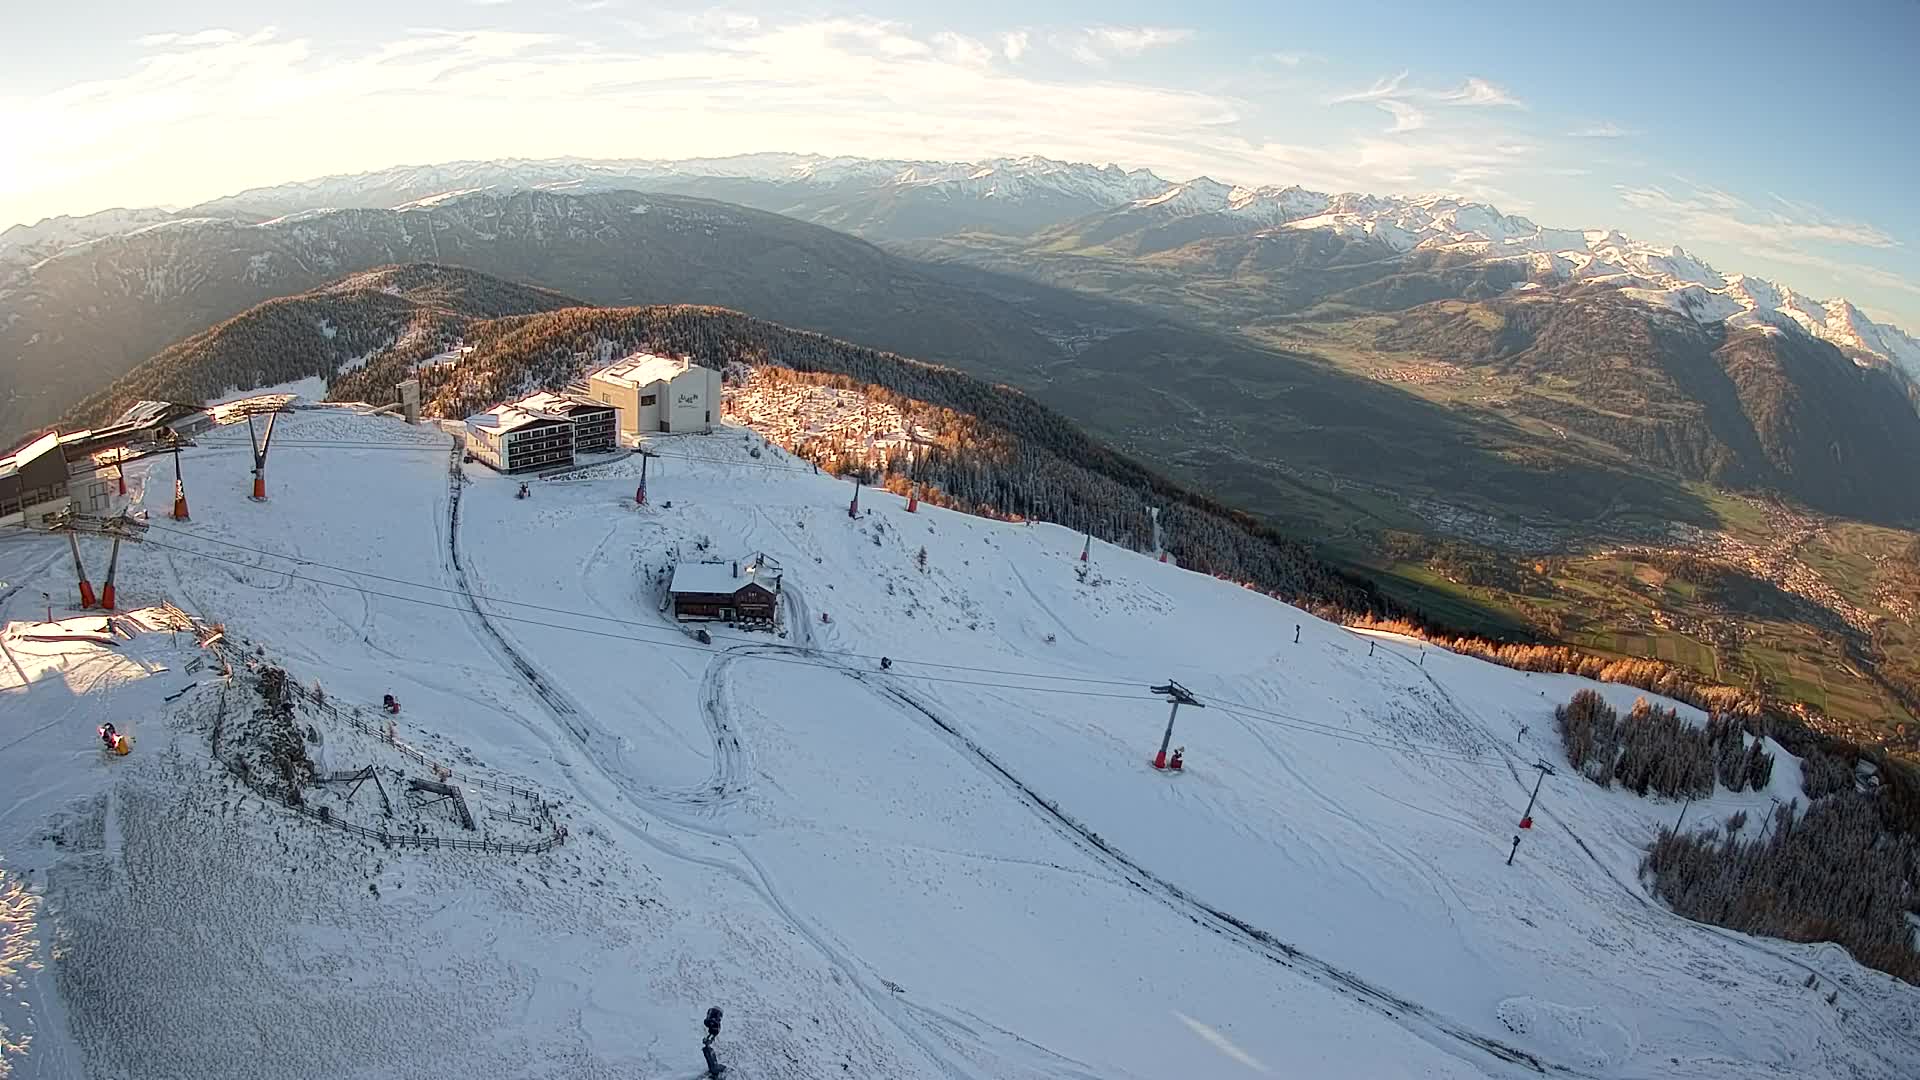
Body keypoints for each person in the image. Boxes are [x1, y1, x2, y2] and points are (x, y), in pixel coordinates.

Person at [702, 1006, 725, 1077]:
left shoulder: (713, 1024)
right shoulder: (711, 1023)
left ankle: (714, 1068)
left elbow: (714, 1030)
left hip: (710, 1035)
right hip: (709, 1035)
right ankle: (714, 1068)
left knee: (708, 1050)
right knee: (708, 1050)